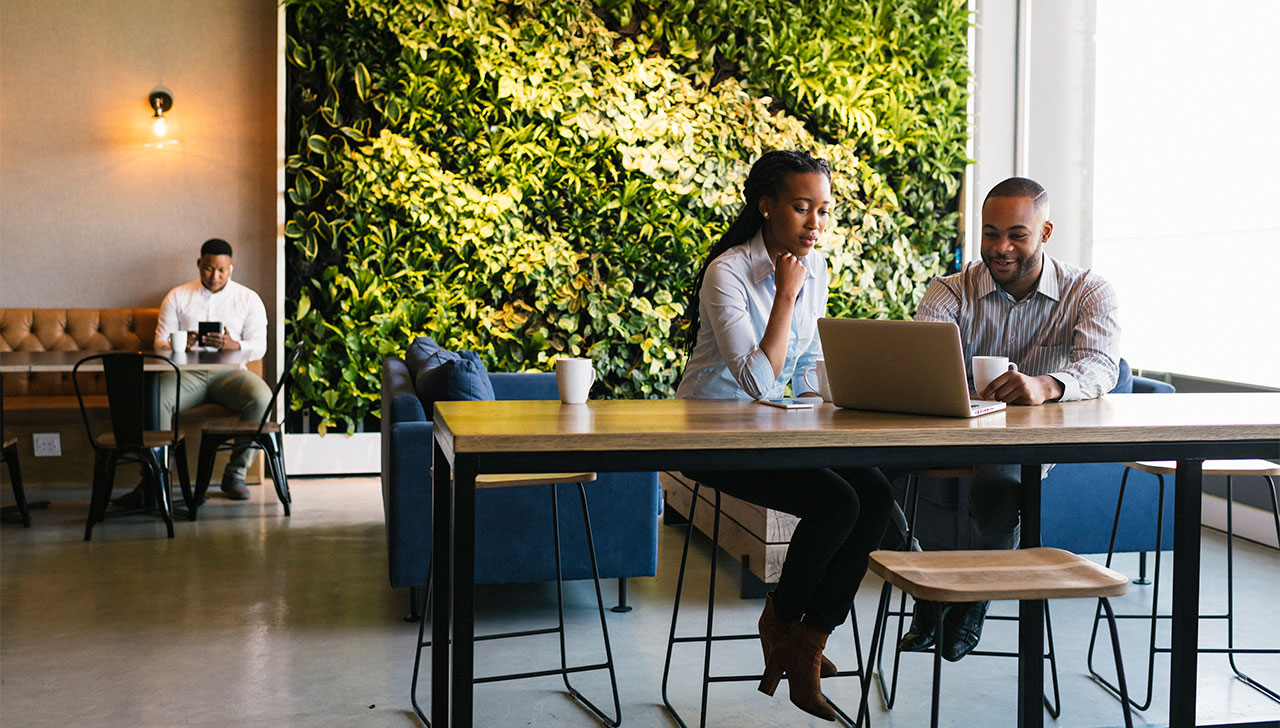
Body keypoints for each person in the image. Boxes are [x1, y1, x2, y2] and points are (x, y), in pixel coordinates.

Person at [676, 150, 893, 721]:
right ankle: (783, 625)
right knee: (836, 501)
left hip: (776, 428)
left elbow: (804, 366)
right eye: (803, 208)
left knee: (875, 493)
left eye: (823, 210)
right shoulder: (727, 272)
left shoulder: (811, 267)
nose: (815, 224)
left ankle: (809, 637)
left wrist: (830, 394)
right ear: (766, 205)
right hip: (710, 435)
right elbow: (754, 379)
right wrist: (786, 294)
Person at [897, 177, 1120, 661]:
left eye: (1017, 234)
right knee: (874, 475)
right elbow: (921, 357)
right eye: (990, 233)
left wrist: (1048, 384)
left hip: (1029, 443)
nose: (1000, 248)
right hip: (953, 432)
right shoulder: (949, 292)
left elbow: (1102, 367)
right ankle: (930, 592)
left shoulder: (1089, 292)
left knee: (997, 478)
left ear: (1045, 232)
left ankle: (973, 598)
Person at [152, 238, 272, 501]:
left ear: (231, 267)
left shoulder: (248, 298)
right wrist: (181, 342)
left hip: (231, 375)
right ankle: (156, 477)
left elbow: (260, 347)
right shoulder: (177, 296)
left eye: (221, 270)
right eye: (208, 268)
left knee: (262, 398)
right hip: (185, 375)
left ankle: (235, 475)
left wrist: (234, 344)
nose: (215, 276)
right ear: (198, 264)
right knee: (155, 397)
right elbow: (159, 343)